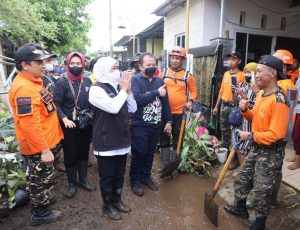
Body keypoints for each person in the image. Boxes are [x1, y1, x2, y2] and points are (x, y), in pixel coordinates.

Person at [224, 55, 289, 230]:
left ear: (273, 73)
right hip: (257, 147)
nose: (255, 75)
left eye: (259, 71)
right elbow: (254, 119)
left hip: (270, 152)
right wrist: (245, 110)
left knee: (262, 189)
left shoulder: (279, 101)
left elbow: (276, 134)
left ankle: (260, 222)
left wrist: (251, 136)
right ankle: (240, 208)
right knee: (242, 178)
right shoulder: (261, 94)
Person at [9, 44, 64, 225]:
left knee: (42, 178)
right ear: (25, 65)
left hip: (45, 144)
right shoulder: (24, 88)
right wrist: (44, 149)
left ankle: (43, 200)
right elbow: (30, 125)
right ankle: (40, 213)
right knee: (40, 180)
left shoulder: (33, 82)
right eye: (38, 62)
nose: (43, 65)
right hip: (39, 148)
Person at [89, 57, 137, 220]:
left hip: (122, 139)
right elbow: (114, 108)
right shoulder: (96, 89)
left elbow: (132, 108)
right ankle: (107, 205)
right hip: (106, 140)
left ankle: (117, 200)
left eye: (118, 68)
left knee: (119, 174)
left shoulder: (119, 87)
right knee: (107, 176)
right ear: (103, 70)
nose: (117, 71)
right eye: (113, 68)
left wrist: (128, 91)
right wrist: (124, 90)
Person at [130, 52, 172, 196]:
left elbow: (165, 102)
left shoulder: (160, 81)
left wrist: (169, 121)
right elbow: (137, 99)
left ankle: (145, 177)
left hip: (156, 125)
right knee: (139, 152)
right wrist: (155, 92)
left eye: (154, 65)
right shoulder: (135, 80)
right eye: (149, 65)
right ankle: (135, 180)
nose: (152, 67)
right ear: (140, 66)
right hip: (140, 124)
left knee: (149, 153)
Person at [53, 51, 95, 199]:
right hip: (68, 124)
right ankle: (72, 183)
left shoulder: (88, 81)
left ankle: (83, 180)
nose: (76, 66)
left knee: (83, 152)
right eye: (72, 63)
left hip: (84, 123)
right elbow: (55, 103)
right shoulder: (62, 82)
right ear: (68, 64)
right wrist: (64, 118)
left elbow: (92, 102)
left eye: (78, 63)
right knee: (70, 154)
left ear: (83, 64)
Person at [159, 46, 197, 172]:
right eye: (173, 58)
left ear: (182, 60)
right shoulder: (163, 73)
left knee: (177, 138)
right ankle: (165, 166)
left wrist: (191, 101)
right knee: (164, 138)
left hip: (180, 113)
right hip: (165, 112)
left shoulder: (187, 75)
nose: (174, 60)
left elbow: (193, 91)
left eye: (177, 58)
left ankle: (174, 166)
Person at [212, 51, 245, 170]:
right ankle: (224, 155)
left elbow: (243, 95)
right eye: (229, 59)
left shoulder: (241, 75)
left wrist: (235, 93)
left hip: (234, 107)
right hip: (223, 106)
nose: (230, 61)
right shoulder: (226, 74)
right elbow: (221, 91)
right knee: (224, 131)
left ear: (239, 62)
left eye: (233, 59)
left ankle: (234, 158)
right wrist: (216, 106)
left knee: (234, 134)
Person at [233, 62, 259, 166]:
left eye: (249, 72)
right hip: (239, 120)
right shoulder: (241, 85)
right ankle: (240, 168)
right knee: (238, 144)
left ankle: (243, 171)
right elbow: (235, 102)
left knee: (245, 146)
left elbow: (255, 107)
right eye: (245, 72)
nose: (246, 75)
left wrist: (244, 96)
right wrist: (233, 92)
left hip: (248, 122)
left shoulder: (258, 88)